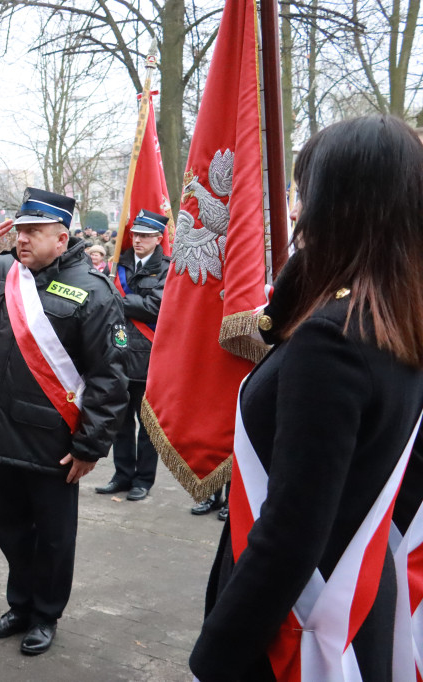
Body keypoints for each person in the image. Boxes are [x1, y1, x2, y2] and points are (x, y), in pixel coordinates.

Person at [190, 116, 423, 681]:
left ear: (340, 203)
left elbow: (291, 531)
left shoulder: (331, 341)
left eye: (305, 192)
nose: (295, 212)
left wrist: (214, 657)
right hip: (360, 593)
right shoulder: (394, 313)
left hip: (294, 617)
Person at [0, 187, 129, 655]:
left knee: (52, 537)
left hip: (52, 440)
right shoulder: (4, 271)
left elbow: (110, 377)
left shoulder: (93, 290)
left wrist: (90, 445)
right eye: (19, 230)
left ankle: (45, 615)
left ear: (61, 238)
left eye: (32, 232)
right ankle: (19, 604)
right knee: (8, 528)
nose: (21, 240)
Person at [95, 210, 169, 502]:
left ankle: (143, 480)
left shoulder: (166, 268)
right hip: (117, 353)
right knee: (119, 422)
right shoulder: (118, 264)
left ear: (158, 238)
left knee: (147, 425)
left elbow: (155, 305)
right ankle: (122, 475)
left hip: (149, 356)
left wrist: (118, 300)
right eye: (136, 235)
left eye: (145, 236)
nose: (138, 240)